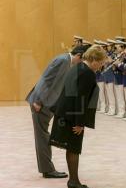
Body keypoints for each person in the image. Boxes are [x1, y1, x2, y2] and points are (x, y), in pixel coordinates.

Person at [26, 45, 89, 178]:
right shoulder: (63, 61)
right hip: (41, 103)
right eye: (83, 60)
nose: (82, 64)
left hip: (46, 103)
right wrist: (38, 100)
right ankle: (48, 170)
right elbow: (47, 80)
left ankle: (47, 168)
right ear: (79, 56)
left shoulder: (66, 61)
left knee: (43, 136)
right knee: (42, 137)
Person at [50, 47, 106, 188]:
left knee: (71, 147)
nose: (101, 65)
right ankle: (74, 181)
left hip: (65, 112)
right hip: (72, 116)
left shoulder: (78, 67)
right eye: (100, 62)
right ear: (93, 60)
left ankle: (73, 180)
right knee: (74, 148)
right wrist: (80, 123)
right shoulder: (87, 73)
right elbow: (81, 99)